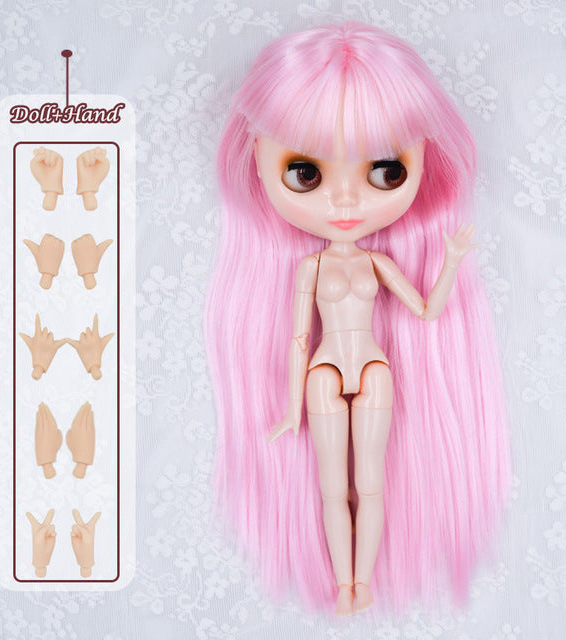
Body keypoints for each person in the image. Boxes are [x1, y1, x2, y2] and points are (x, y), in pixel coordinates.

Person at [205, 21, 510, 616]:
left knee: (369, 485)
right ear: (258, 162)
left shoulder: (377, 264)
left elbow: (426, 310)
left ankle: (360, 584)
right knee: (332, 488)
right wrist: (288, 408)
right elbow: (299, 340)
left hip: (372, 368)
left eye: (385, 171)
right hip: (323, 372)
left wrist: (451, 261)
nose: (345, 201)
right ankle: (343, 582)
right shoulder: (310, 269)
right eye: (306, 173)